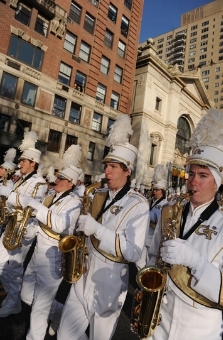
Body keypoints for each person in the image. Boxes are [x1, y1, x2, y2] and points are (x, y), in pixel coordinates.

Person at [57, 114, 150, 340]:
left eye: (114, 167)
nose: (107, 171)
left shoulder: (139, 204)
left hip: (109, 282)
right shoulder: (97, 193)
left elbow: (133, 251)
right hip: (84, 274)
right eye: (107, 166)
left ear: (127, 171)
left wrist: (97, 230)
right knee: (64, 336)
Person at [145, 109, 223, 340]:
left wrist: (196, 261)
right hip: (159, 322)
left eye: (203, 175)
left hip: (199, 330)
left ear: (217, 184)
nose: (193, 182)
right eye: (191, 174)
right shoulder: (170, 211)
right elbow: (152, 256)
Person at [17, 144, 83, 340]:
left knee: (39, 309)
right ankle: (59, 312)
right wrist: (29, 230)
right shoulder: (52, 196)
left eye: (61, 178)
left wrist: (37, 207)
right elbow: (41, 222)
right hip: (38, 250)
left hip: (53, 255)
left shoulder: (74, 202)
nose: (56, 180)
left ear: (71, 183)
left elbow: (62, 225)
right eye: (58, 176)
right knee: (26, 295)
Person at [0, 131, 47, 317]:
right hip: (12, 224)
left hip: (24, 230)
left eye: (23, 161)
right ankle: (14, 297)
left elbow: (31, 203)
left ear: (33, 163)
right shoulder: (21, 180)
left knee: (15, 267)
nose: (20, 164)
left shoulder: (40, 183)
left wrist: (9, 194)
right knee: (3, 264)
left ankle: (14, 301)